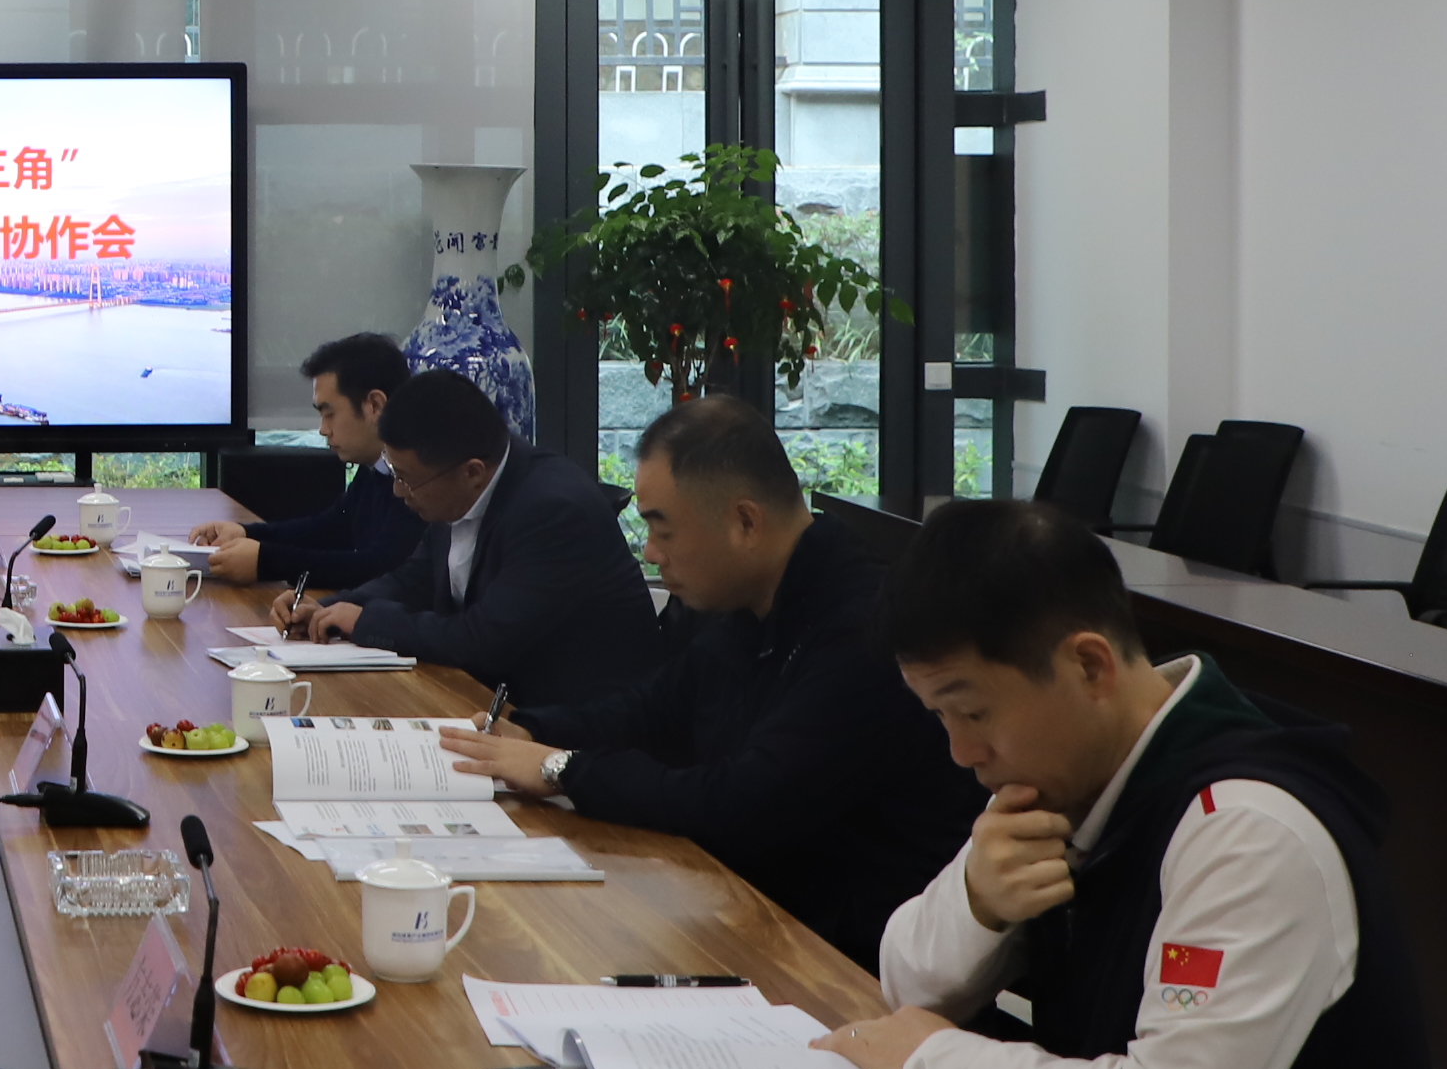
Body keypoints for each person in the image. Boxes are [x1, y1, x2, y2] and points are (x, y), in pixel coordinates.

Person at [813, 499, 1447, 1069]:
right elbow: (908, 988)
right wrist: (979, 901)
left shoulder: (1245, 832)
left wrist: (934, 1058)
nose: (962, 751)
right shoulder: (1072, 779)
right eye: (940, 717)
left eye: (973, 711)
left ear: (1089, 667)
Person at [437, 396, 979, 960]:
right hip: (747, 910)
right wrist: (529, 730)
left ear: (745, 521)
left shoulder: (860, 629)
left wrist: (562, 769)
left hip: (844, 959)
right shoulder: (749, 598)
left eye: (663, 531)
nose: (651, 553)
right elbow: (655, 710)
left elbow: (741, 803)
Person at [279, 368, 657, 710]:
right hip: (484, 699)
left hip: (570, 726)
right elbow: (414, 579)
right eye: (394, 473)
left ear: (472, 473)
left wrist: (365, 621)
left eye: (407, 479)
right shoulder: (455, 486)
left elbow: (483, 640)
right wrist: (328, 609)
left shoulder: (554, 511)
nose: (397, 491)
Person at [188, 335, 413, 592]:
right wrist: (245, 533)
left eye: (330, 414)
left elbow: (377, 567)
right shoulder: (375, 469)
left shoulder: (417, 480)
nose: (323, 429)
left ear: (375, 405)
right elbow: (330, 529)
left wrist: (265, 562)